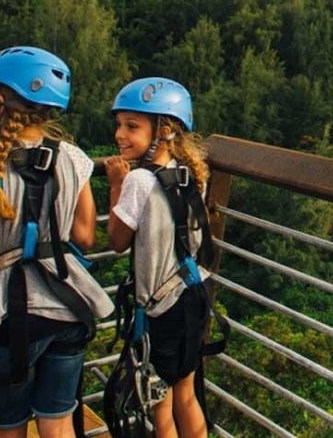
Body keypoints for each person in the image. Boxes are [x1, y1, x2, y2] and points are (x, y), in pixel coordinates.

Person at [0, 46, 114, 438]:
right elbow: (85, 236)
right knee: (58, 424)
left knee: (8, 429)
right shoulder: (74, 157)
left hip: (9, 316)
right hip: (69, 307)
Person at [103, 77, 218, 438]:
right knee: (187, 393)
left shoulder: (138, 181)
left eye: (132, 126)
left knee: (160, 402)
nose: (120, 135)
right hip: (192, 295)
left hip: (159, 309)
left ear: (164, 131)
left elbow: (117, 240)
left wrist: (116, 186)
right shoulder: (190, 174)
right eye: (120, 125)